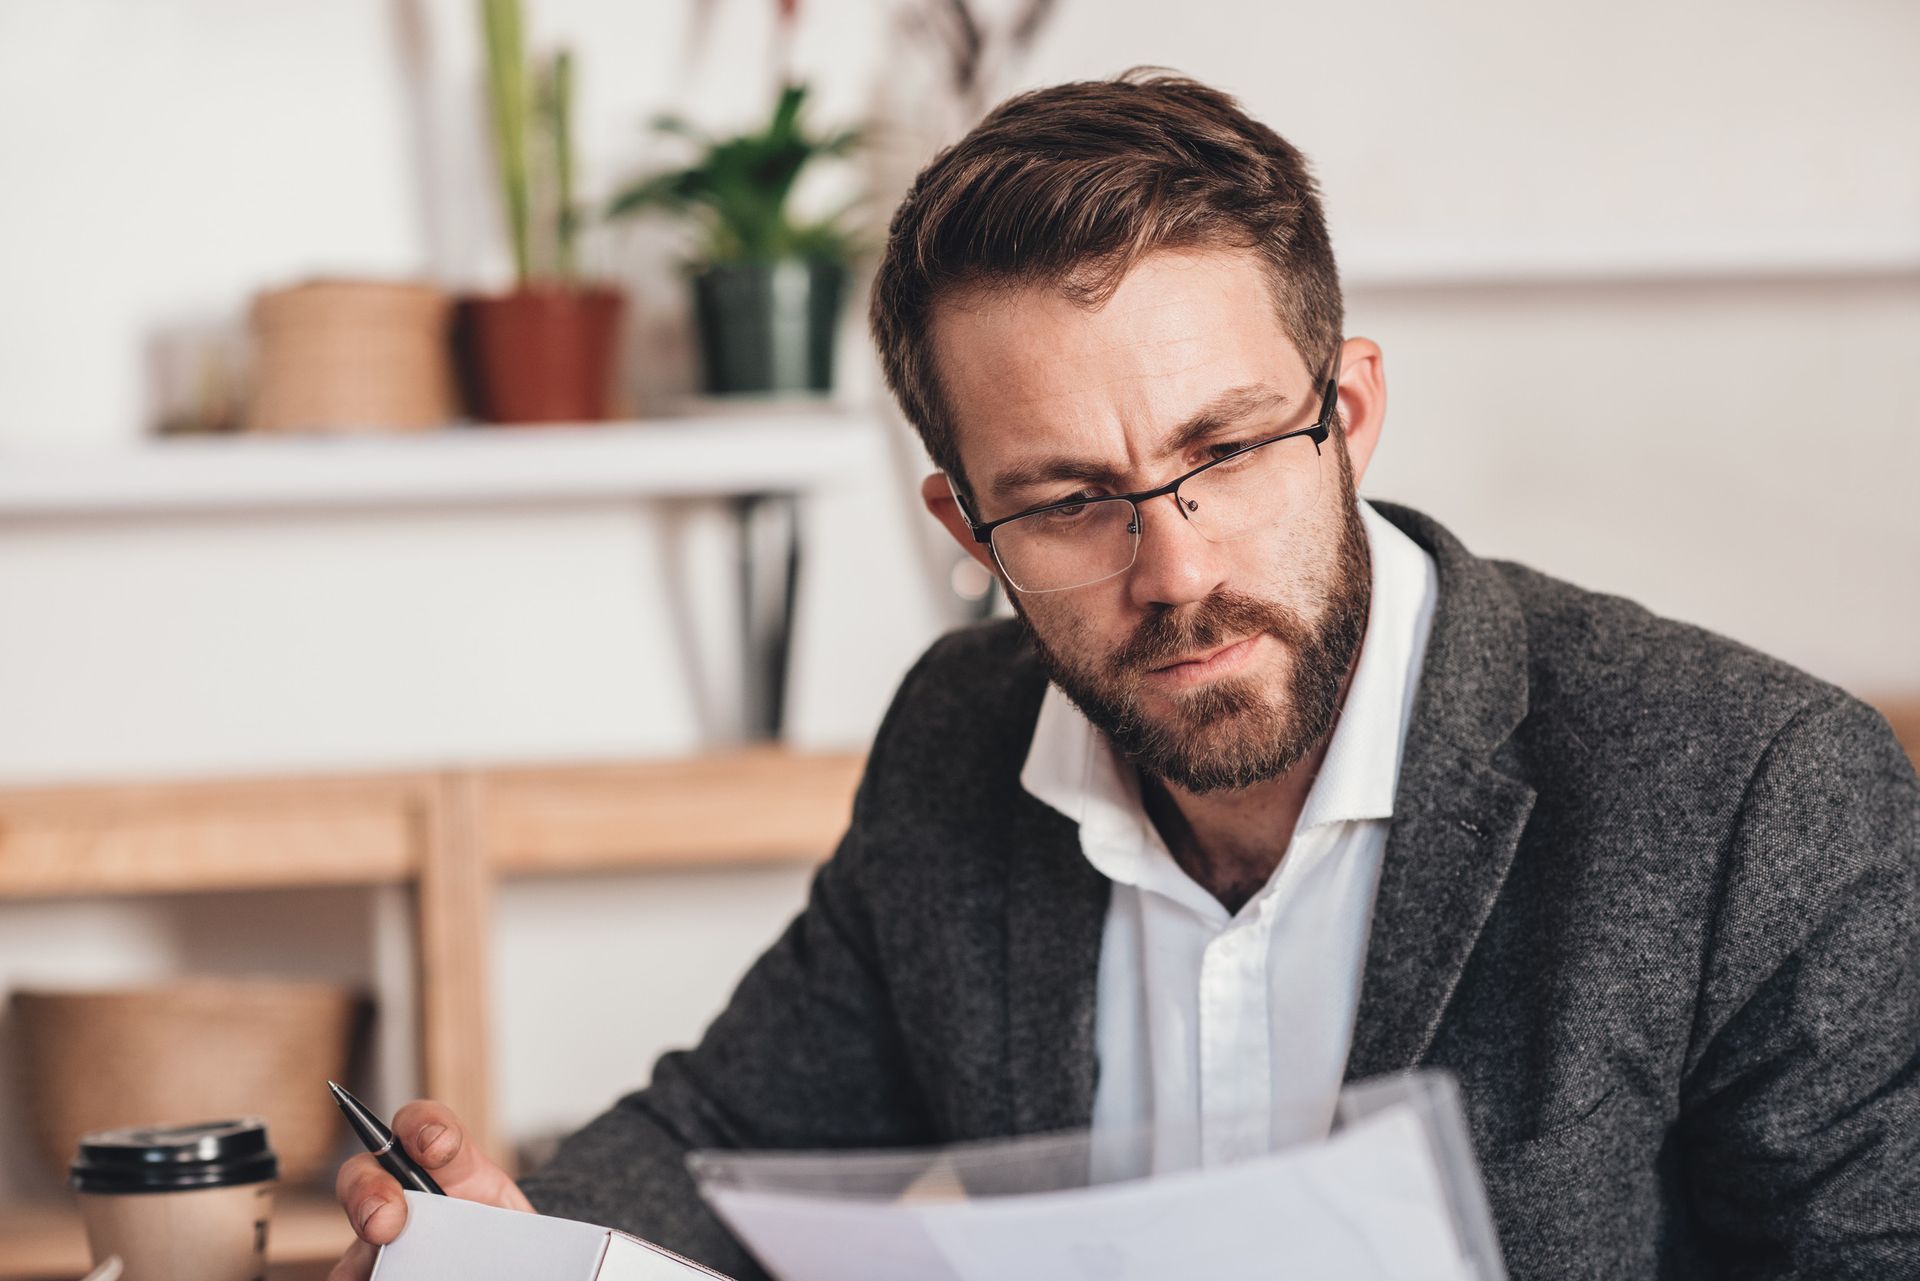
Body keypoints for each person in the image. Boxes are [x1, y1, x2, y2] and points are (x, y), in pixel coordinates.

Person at [330, 72, 1920, 1280]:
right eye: (1071, 498)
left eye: (1224, 451)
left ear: (1348, 412)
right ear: (965, 522)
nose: (1175, 570)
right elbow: (730, 1135)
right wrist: (515, 1233)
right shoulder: (960, 737)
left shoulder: (1756, 796)